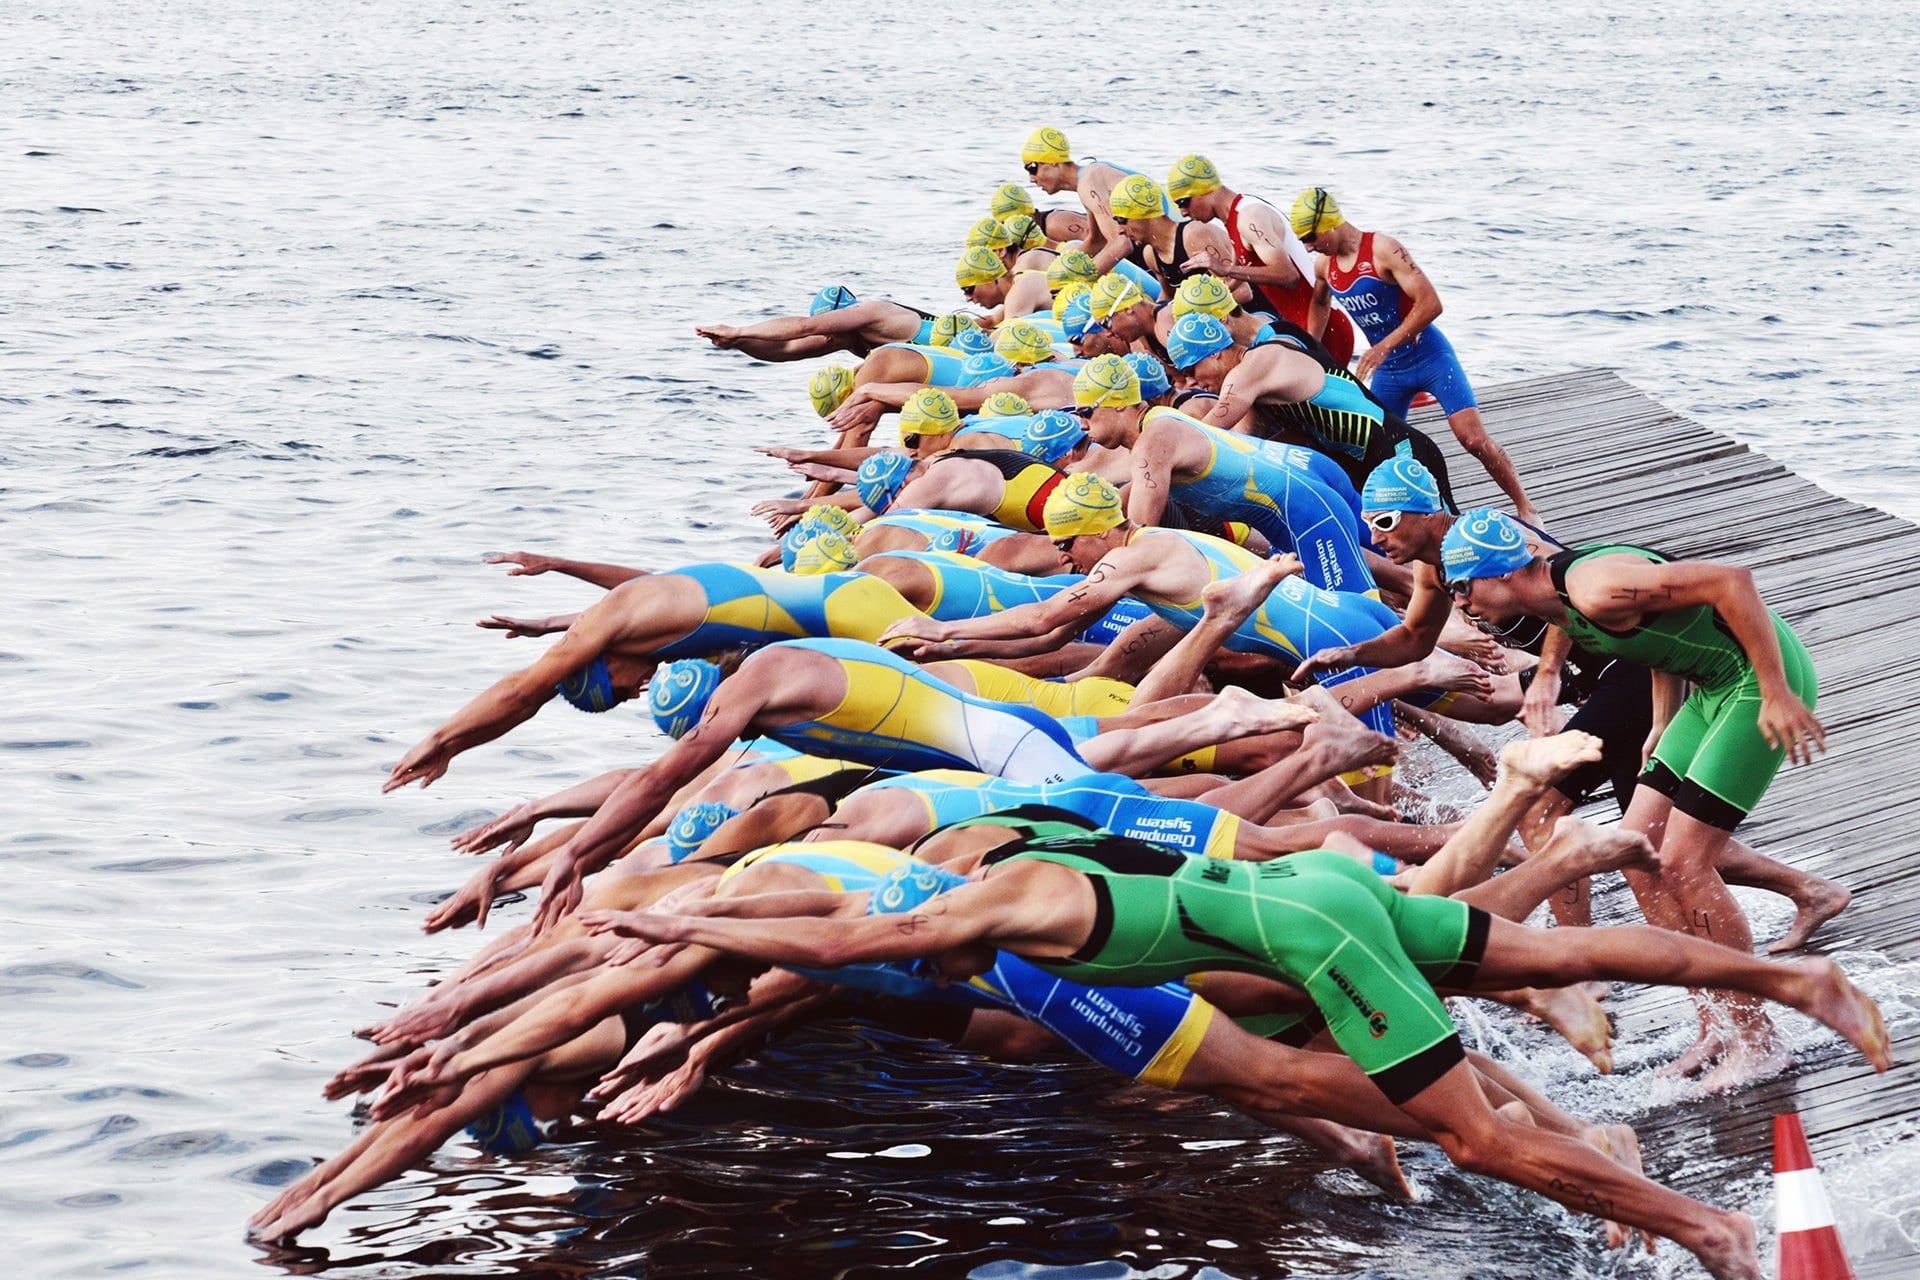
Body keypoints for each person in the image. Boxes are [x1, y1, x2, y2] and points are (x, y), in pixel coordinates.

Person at [600, 806, 1891, 1280]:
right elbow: (835, 931)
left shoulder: (981, 904)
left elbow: (833, 946)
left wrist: (635, 905)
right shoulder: (1016, 840)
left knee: (1475, 1136)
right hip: (1321, 900)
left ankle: (1714, 1236)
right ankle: (1799, 975)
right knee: (1559, 952)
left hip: (1317, 942)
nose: (946, 968)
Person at [1293, 458, 1848, 950]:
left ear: (1425, 513)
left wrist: (1775, 690)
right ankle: (1755, 939)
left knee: (1664, 851)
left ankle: (1608, 968)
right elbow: (1427, 635)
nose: (1375, 535)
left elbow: (1706, 582)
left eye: (1384, 521)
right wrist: (1351, 653)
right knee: (1651, 844)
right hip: (1664, 679)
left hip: (1676, 676)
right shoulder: (1463, 572)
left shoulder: (1538, 563)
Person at [522, 636, 1317, 930]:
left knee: (1157, 837)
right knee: (1134, 780)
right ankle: (1235, 727)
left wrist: (571, 855)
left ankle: (1329, 812)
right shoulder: (774, 674)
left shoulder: (763, 684)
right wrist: (542, 826)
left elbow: (669, 776)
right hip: (999, 744)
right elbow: (660, 782)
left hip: (1006, 753)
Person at [1437, 509, 1830, 1089]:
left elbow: (1731, 581)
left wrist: (1775, 692)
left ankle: (1758, 1035)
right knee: (1636, 846)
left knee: (1685, 862)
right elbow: (1658, 639)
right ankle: (1717, 1022)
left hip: (1753, 681)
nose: (1464, 606)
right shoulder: (1557, 599)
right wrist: (1661, 722)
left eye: (1462, 588)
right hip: (1709, 690)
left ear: (1497, 575)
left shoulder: (1596, 588)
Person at [382, 563, 930, 792]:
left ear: (600, 663)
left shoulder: (619, 623)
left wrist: (441, 741)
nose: (640, 690)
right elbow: (663, 585)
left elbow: (525, 691)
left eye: (621, 690)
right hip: (848, 599)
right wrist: (556, 615)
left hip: (855, 616)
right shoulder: (634, 621)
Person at [1293, 187, 1538, 523]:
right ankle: (1406, 521)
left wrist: (1383, 346)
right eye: (1301, 241)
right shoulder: (1325, 266)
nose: (1307, 247)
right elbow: (1320, 302)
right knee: (1371, 451)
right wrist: (1311, 347)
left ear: (1330, 223)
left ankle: (1526, 507)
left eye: (1310, 236)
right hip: (1390, 372)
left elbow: (1431, 303)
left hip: (1430, 358)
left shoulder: (1383, 249)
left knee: (1473, 439)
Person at [1068, 354, 1377, 596]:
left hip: (1299, 506)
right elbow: (1134, 493)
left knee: (1348, 611)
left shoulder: (1152, 444)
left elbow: (1138, 535)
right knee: (1390, 574)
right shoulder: (1158, 425)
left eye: (1086, 413)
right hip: (1300, 481)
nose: (1082, 425)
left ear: (1120, 405)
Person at [1170, 309, 1459, 506]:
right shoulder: (1253, 384)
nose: (1192, 381)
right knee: (1427, 573)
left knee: (1448, 559)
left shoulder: (1252, 368)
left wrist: (1160, 450)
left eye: (1192, 368)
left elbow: (1206, 433)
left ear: (1216, 353)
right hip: (1375, 470)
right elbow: (1244, 443)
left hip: (1405, 455)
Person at [1167, 155, 1357, 367]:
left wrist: (1226, 268)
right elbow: (1242, 275)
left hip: (1324, 328)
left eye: (1184, 202)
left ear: (1205, 189)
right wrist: (1193, 305)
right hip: (1301, 328)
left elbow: (1289, 276)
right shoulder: (1233, 220)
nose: (1183, 212)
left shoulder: (1249, 217)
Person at [695, 286, 938, 361]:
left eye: (831, 329)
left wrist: (737, 329)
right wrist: (737, 342)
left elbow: (804, 327)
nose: (829, 338)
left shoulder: (874, 312)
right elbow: (785, 350)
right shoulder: (844, 336)